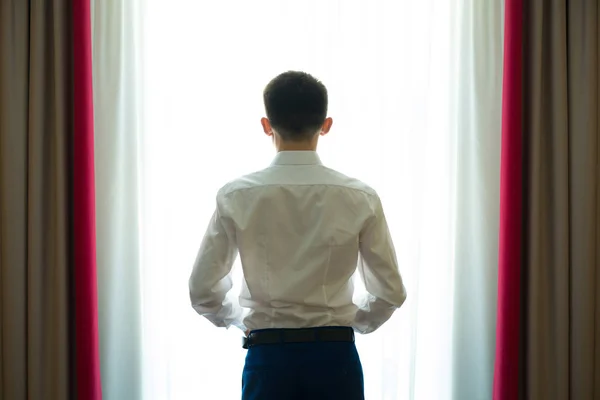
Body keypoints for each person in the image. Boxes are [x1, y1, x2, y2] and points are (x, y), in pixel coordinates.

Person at [189, 71, 407, 400]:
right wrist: (348, 323)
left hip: (268, 359)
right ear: (326, 124)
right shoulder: (360, 197)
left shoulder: (236, 196)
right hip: (336, 361)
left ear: (266, 125)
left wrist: (239, 320)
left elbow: (203, 291)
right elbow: (390, 292)